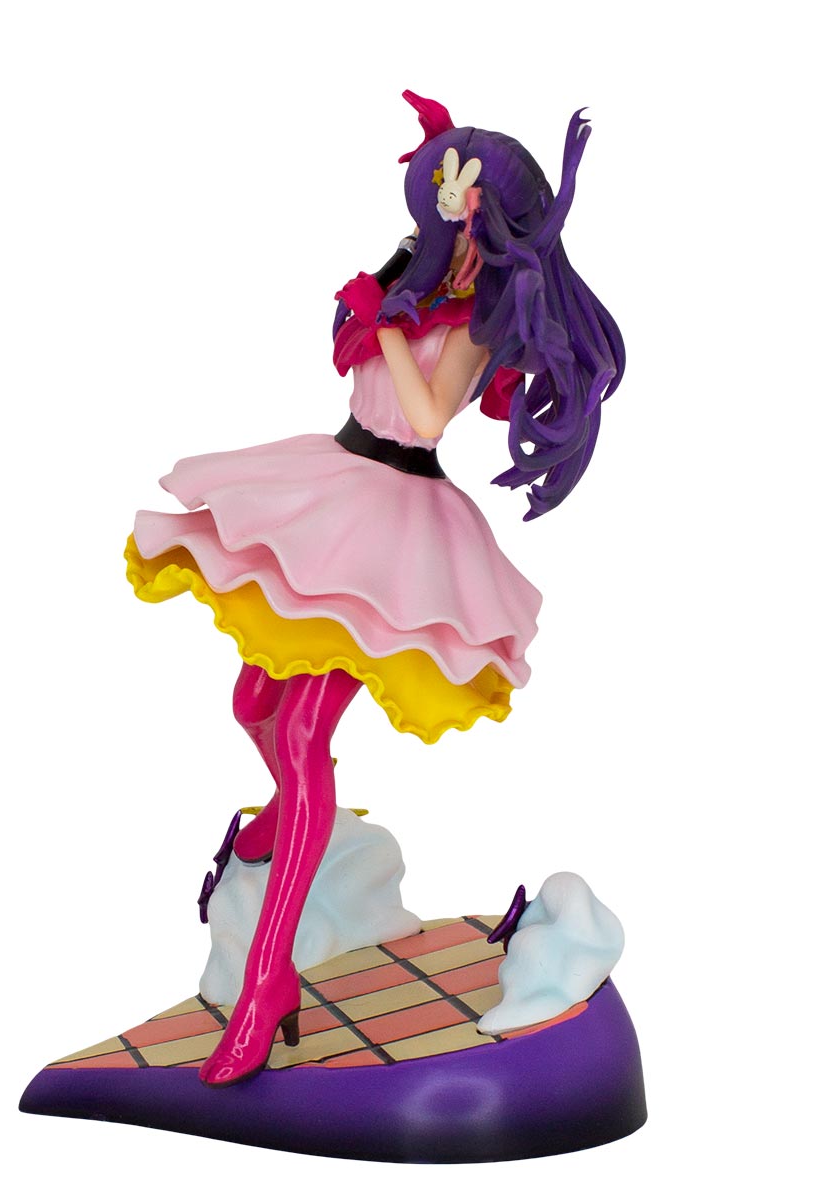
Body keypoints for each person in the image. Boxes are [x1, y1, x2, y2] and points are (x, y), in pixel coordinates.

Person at [124, 91, 624, 1087]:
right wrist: (381, 308)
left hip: (395, 519)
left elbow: (430, 416)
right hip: (336, 476)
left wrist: (384, 322)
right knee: (253, 701)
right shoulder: (414, 280)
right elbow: (362, 374)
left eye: (473, 216)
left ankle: (267, 982)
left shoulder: (481, 319)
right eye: (448, 206)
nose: (456, 228)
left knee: (304, 736)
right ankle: (291, 814)